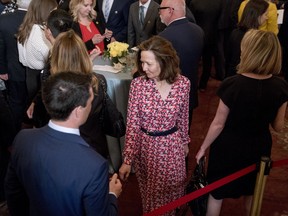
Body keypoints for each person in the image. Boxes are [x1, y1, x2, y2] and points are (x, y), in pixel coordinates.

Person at [195, 29, 288, 216]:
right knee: (253, 192)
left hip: (227, 146)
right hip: (259, 147)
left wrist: (203, 148)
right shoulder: (281, 87)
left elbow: (218, 124)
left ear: (250, 52)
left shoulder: (232, 84)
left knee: (216, 192)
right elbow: (278, 127)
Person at [5, 71, 122, 216]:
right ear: (78, 111)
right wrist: (112, 195)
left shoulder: (23, 139)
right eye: (90, 102)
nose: (91, 106)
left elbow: (13, 192)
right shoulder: (94, 165)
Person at [119, 35, 190, 215]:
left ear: (164, 61)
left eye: (148, 63)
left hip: (172, 148)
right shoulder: (138, 85)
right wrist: (127, 160)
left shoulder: (183, 84)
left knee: (173, 196)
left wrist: (184, 143)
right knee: (150, 199)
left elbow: (182, 118)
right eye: (142, 62)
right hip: (146, 150)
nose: (143, 68)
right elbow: (133, 123)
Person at [158, 0, 204, 127]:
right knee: (186, 131)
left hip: (170, 98)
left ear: (170, 10)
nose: (159, 13)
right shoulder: (198, 31)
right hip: (190, 92)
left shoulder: (163, 38)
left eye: (161, 9)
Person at [17, 0, 58, 105]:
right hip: (39, 78)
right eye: (53, 11)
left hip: (30, 74)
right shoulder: (39, 33)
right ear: (45, 12)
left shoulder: (27, 26)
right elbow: (52, 56)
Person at [0, 0, 31, 133]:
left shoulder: (4, 19)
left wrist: (2, 70)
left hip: (13, 70)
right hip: (34, 72)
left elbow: (0, 48)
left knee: (15, 102)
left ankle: (14, 132)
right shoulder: (39, 20)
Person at [225, 0, 268, 77]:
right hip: (244, 78)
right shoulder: (255, 38)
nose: (267, 17)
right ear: (257, 15)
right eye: (265, 14)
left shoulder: (235, 32)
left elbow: (228, 59)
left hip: (232, 76)